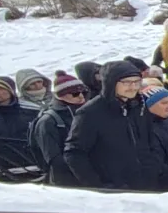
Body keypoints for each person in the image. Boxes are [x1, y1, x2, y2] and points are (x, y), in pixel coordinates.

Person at [64, 62, 152, 190]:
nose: (133, 87)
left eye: (137, 82)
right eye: (126, 82)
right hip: (113, 187)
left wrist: (154, 169)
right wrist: (98, 186)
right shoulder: (90, 112)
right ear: (111, 82)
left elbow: (150, 140)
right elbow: (74, 153)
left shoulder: (139, 106)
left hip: (146, 183)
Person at [30, 72, 87, 186]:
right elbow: (53, 158)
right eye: (75, 94)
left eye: (84, 92)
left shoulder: (87, 112)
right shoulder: (48, 121)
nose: (81, 96)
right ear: (61, 95)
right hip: (67, 180)